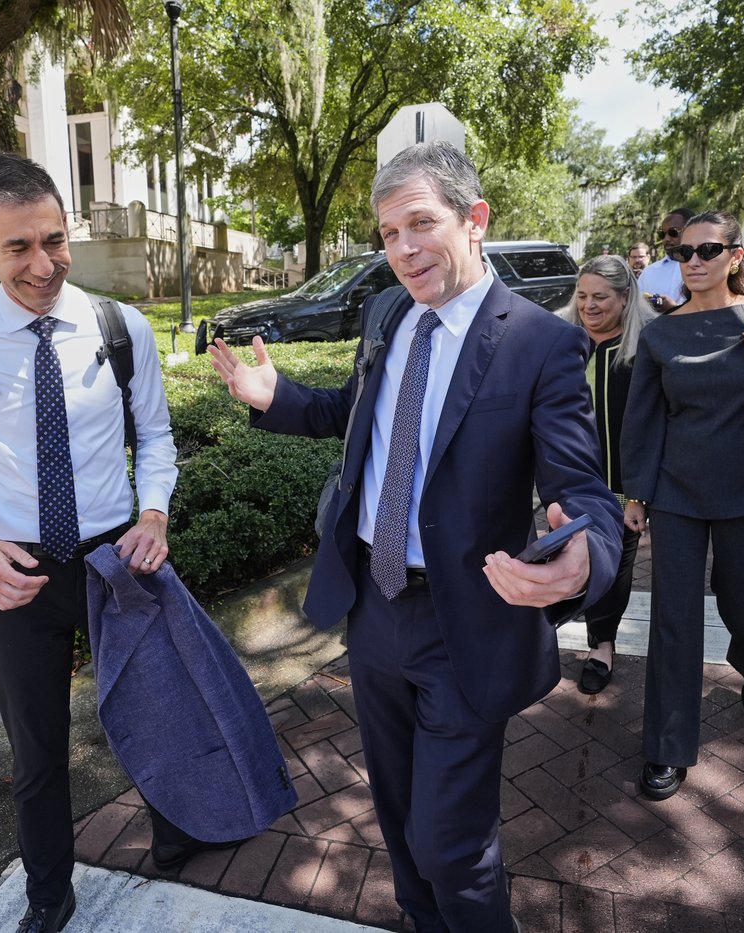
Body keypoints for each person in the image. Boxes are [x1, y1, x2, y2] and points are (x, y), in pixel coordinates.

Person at [208, 141, 622, 933]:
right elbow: (353, 416)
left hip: (464, 622)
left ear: (475, 221)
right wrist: (276, 396)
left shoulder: (540, 343)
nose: (403, 249)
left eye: (421, 223)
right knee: (398, 823)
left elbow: (583, 491)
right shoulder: (387, 314)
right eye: (389, 233)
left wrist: (582, 558)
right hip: (372, 605)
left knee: (451, 845)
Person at [0, 152, 198, 933]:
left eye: (55, 240)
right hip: (12, 572)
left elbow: (156, 437)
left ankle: (174, 828)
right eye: (18, 247)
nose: (44, 264)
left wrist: (155, 514)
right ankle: (48, 891)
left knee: (150, 709)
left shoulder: (117, 327)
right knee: (37, 746)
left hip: (113, 556)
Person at [620, 210, 744, 801]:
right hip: (678, 493)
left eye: (708, 250)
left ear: (736, 256)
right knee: (673, 621)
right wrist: (637, 494)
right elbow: (644, 421)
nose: (694, 261)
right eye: (683, 252)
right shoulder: (659, 333)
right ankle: (667, 748)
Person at [559, 254, 655, 694]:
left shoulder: (644, 349)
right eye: (582, 296)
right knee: (566, 557)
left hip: (621, 486)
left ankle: (602, 645)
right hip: (565, 480)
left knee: (615, 566)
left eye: (600, 297)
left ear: (624, 297)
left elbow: (657, 423)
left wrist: (639, 492)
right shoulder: (562, 342)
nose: (589, 305)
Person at [636, 207, 691, 310]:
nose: (666, 239)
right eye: (662, 234)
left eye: (673, 232)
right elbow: (637, 307)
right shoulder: (649, 272)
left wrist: (674, 309)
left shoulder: (704, 269)